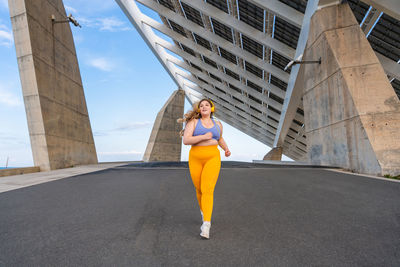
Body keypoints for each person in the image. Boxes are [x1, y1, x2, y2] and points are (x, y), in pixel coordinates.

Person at [178, 99, 231, 239]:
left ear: (211, 108)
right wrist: (203, 136)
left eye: (207, 105)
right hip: (195, 158)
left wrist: (226, 149)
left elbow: (220, 138)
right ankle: (204, 211)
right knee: (199, 188)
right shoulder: (193, 122)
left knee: (207, 188)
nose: (204, 107)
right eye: (201, 106)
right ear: (199, 110)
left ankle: (206, 224)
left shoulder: (218, 124)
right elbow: (186, 140)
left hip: (213, 157)